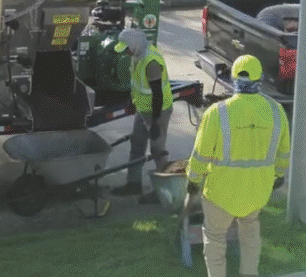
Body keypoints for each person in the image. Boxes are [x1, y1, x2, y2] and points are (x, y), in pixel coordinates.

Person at [186, 54, 290, 277]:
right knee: (250, 233)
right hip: (256, 192)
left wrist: (193, 180)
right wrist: (279, 175)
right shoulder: (276, 111)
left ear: (234, 80)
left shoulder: (217, 113)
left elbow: (200, 155)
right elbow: (283, 153)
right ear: (259, 79)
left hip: (220, 194)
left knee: (214, 239)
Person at [110, 28, 172, 204]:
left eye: (127, 48)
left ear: (135, 44)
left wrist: (155, 123)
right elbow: (136, 83)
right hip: (142, 109)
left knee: (157, 150)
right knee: (137, 144)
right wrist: (131, 101)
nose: (126, 52)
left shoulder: (151, 62)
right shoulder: (136, 55)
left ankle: (165, 190)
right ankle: (133, 183)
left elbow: (158, 95)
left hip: (157, 112)